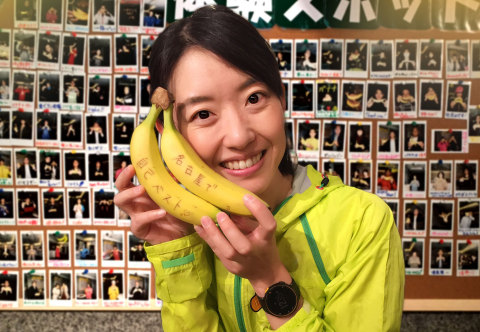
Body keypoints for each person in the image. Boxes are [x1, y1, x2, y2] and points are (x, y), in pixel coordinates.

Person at [113, 6, 404, 331]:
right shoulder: (195, 231)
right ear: (172, 136)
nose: (240, 136)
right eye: (203, 114)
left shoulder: (361, 222)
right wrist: (177, 251)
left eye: (254, 98)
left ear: (281, 98)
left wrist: (269, 279)